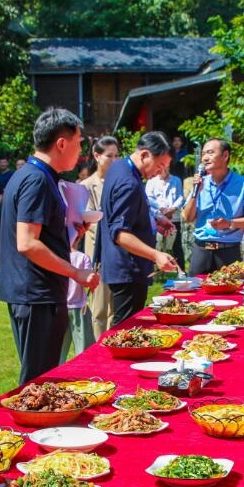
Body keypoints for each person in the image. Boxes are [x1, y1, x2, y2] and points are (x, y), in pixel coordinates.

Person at [0, 108, 100, 384]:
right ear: (61, 143)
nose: (82, 151)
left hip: (38, 292)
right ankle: (33, 427)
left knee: (43, 376)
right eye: (80, 142)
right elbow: (27, 243)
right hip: (36, 294)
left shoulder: (38, 176)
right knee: (37, 382)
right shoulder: (36, 179)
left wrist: (71, 236)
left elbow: (39, 239)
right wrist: (75, 273)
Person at [100, 132, 179, 325]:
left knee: (126, 325)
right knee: (125, 328)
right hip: (128, 268)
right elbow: (120, 233)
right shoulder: (129, 182)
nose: (160, 172)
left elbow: (127, 213)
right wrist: (156, 255)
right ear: (144, 155)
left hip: (122, 265)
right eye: (159, 165)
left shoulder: (120, 167)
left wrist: (154, 219)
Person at [182, 138, 244, 275]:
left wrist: (229, 223)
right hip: (201, 249)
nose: (205, 157)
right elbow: (188, 217)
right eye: (204, 154)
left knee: (230, 293)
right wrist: (196, 193)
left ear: (225, 156)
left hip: (228, 251)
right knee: (195, 294)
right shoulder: (200, 183)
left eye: (211, 153)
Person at [80, 136, 120, 339]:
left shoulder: (121, 182)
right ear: (96, 156)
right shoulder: (86, 186)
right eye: (109, 156)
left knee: (117, 308)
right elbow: (89, 220)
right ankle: (98, 348)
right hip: (98, 253)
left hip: (120, 253)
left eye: (116, 156)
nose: (114, 160)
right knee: (99, 309)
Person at [59, 235, 94, 364]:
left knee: (57, 352)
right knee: (84, 350)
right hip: (79, 308)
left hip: (60, 308)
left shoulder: (57, 257)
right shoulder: (82, 257)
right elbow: (88, 282)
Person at [146, 163, 185, 269]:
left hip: (174, 217)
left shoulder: (176, 180)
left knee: (176, 245)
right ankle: (155, 271)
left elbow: (180, 197)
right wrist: (160, 209)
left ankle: (180, 270)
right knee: (157, 244)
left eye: (165, 168)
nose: (163, 170)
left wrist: (173, 208)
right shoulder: (151, 181)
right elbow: (149, 198)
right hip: (157, 219)